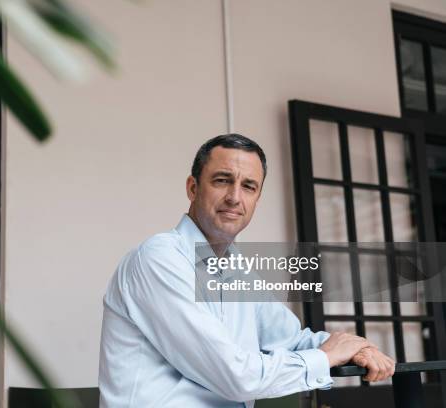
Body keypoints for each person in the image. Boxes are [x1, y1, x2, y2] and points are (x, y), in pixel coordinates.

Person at [99, 134, 395, 407]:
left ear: (256, 199)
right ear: (192, 188)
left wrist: (355, 348)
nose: (234, 197)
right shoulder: (158, 258)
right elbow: (235, 377)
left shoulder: (236, 270)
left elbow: (290, 338)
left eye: (248, 186)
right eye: (222, 180)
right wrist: (327, 355)